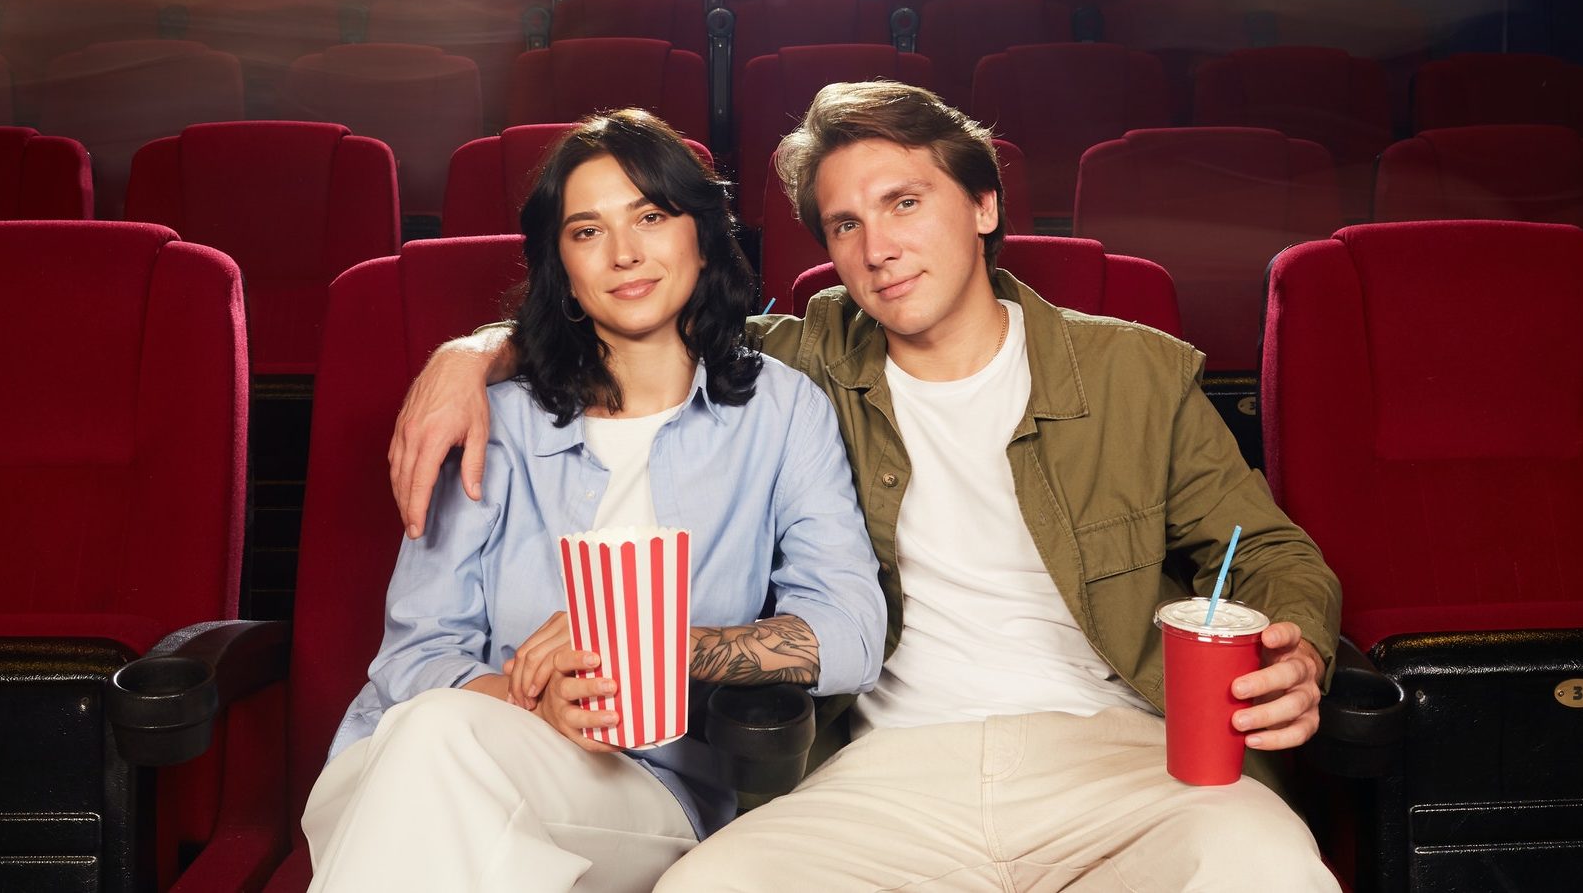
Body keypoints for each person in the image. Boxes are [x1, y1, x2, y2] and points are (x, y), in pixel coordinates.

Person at [387, 82, 1344, 891]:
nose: (877, 245)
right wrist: (472, 352)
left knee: (1262, 865)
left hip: (1119, 750)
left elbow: (1269, 551)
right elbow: (635, 316)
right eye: (845, 223)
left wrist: (1297, 653)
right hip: (882, 767)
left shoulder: (1134, 372)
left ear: (982, 204)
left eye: (904, 202)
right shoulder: (796, 366)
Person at [305, 109, 884, 892]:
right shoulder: (494, 420)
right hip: (407, 764)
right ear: (563, 267)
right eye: (586, 231)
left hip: (636, 793)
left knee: (438, 764)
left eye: (650, 215)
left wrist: (650, 642)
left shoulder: (781, 412)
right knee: (435, 743)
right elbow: (414, 655)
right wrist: (527, 701)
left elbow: (850, 632)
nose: (623, 253)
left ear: (702, 234)